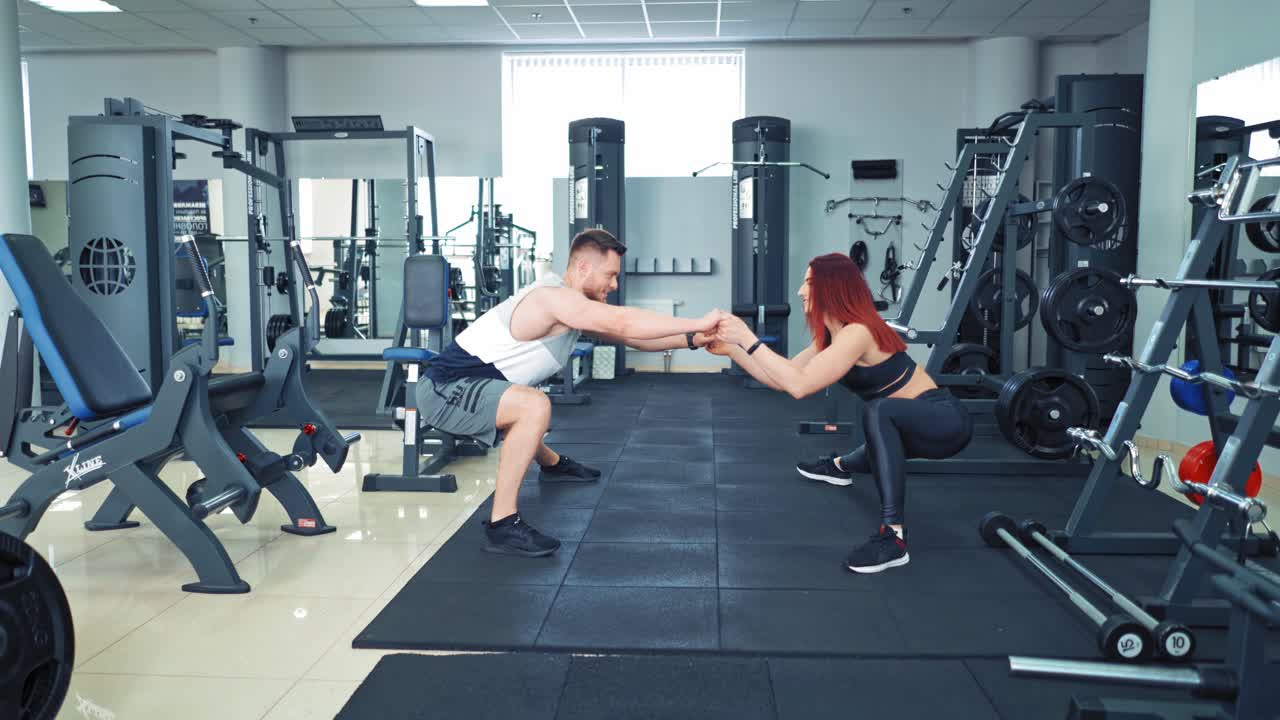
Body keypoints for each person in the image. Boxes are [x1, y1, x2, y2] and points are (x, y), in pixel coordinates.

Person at [420, 228, 720, 558]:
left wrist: (692, 341)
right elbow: (623, 323)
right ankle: (502, 525)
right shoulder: (554, 298)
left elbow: (634, 339)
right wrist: (697, 322)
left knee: (525, 404)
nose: (614, 285)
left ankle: (552, 465)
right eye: (611, 275)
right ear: (582, 268)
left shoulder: (573, 306)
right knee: (533, 406)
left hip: (473, 385)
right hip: (445, 389)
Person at [708, 252, 972, 573]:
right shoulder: (832, 338)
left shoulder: (859, 332)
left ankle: (894, 538)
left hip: (945, 422)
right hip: (909, 428)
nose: (801, 291)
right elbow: (784, 377)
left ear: (830, 287)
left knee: (879, 412)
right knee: (878, 433)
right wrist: (734, 350)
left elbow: (800, 386)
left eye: (808, 282)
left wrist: (745, 337)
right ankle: (838, 467)